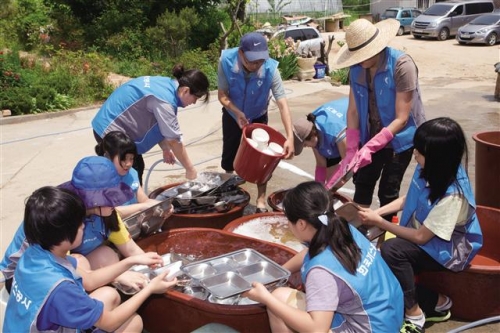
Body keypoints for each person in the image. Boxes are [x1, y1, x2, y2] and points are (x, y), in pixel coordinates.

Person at [358, 117, 483, 333]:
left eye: (419, 151)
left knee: (392, 250)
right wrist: (376, 213)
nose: (414, 153)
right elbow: (409, 198)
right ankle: (437, 301)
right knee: (382, 260)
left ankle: (415, 316)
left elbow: (421, 238)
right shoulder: (428, 168)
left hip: (450, 249)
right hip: (426, 237)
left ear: (438, 158)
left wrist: (379, 223)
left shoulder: (454, 195)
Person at [3, 186, 176, 333]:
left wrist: (130, 261)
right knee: (134, 322)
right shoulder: (61, 290)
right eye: (80, 224)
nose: (84, 225)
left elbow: (90, 280)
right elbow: (110, 321)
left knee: (110, 295)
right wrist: (151, 288)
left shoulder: (36, 253)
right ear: (64, 235)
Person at [244, 181, 404, 332]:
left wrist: (266, 298)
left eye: (288, 221)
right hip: (390, 316)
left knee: (277, 300)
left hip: (370, 328)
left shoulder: (320, 270)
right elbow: (311, 252)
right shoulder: (341, 228)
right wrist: (279, 271)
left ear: (301, 224)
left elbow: (317, 329)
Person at [0, 156, 151, 293]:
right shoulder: (59, 217)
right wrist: (117, 276)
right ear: (93, 200)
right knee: (86, 268)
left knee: (107, 255)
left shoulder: (106, 213)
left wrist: (155, 266)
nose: (117, 201)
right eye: (110, 197)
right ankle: (88, 315)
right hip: (25, 277)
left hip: (61, 266)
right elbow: (65, 266)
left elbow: (131, 249)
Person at [330, 18, 426, 221]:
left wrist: (371, 147)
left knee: (388, 191)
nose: (359, 60)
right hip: (370, 133)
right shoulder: (356, 69)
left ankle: (384, 238)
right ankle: (358, 234)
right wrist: (351, 150)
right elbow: (353, 111)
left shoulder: (402, 66)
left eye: (363, 55)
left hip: (400, 140)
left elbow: (402, 118)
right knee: (363, 182)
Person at [92, 64, 210, 184]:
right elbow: (174, 141)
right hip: (110, 130)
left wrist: (165, 148)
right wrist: (190, 170)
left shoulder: (166, 84)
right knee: (130, 176)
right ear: (186, 90)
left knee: (136, 168)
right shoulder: (165, 101)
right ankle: (126, 200)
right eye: (196, 98)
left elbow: (159, 123)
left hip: (108, 124)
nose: (194, 102)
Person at [218, 32, 295, 213]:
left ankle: (260, 200)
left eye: (259, 61)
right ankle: (229, 193)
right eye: (251, 61)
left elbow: (283, 104)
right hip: (233, 114)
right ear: (241, 53)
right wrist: (236, 112)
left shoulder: (271, 70)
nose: (255, 65)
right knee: (229, 156)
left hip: (258, 115)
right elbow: (222, 95)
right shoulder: (226, 62)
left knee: (264, 158)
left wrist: (290, 137)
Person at [95, 130, 173, 219]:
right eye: (123, 159)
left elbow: (144, 200)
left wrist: (163, 206)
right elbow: (109, 212)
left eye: (131, 159)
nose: (128, 164)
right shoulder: (100, 180)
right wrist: (140, 207)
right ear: (108, 157)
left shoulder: (132, 173)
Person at [293, 97, 348, 186]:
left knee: (340, 180)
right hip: (331, 131)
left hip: (359, 117)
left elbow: (347, 165)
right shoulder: (310, 125)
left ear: (312, 136)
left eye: (305, 145)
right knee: (330, 177)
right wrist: (318, 187)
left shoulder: (335, 132)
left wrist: (328, 189)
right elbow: (321, 164)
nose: (305, 147)